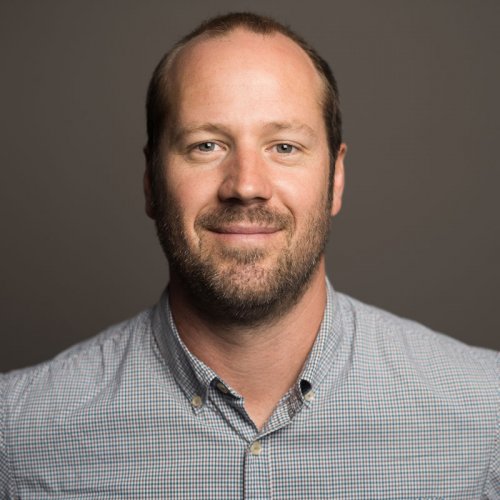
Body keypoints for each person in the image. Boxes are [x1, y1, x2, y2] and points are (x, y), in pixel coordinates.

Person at [1, 12, 498, 499]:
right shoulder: (18, 435)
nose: (245, 186)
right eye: (206, 145)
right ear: (152, 182)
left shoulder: (485, 417)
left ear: (336, 179)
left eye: (283, 147)